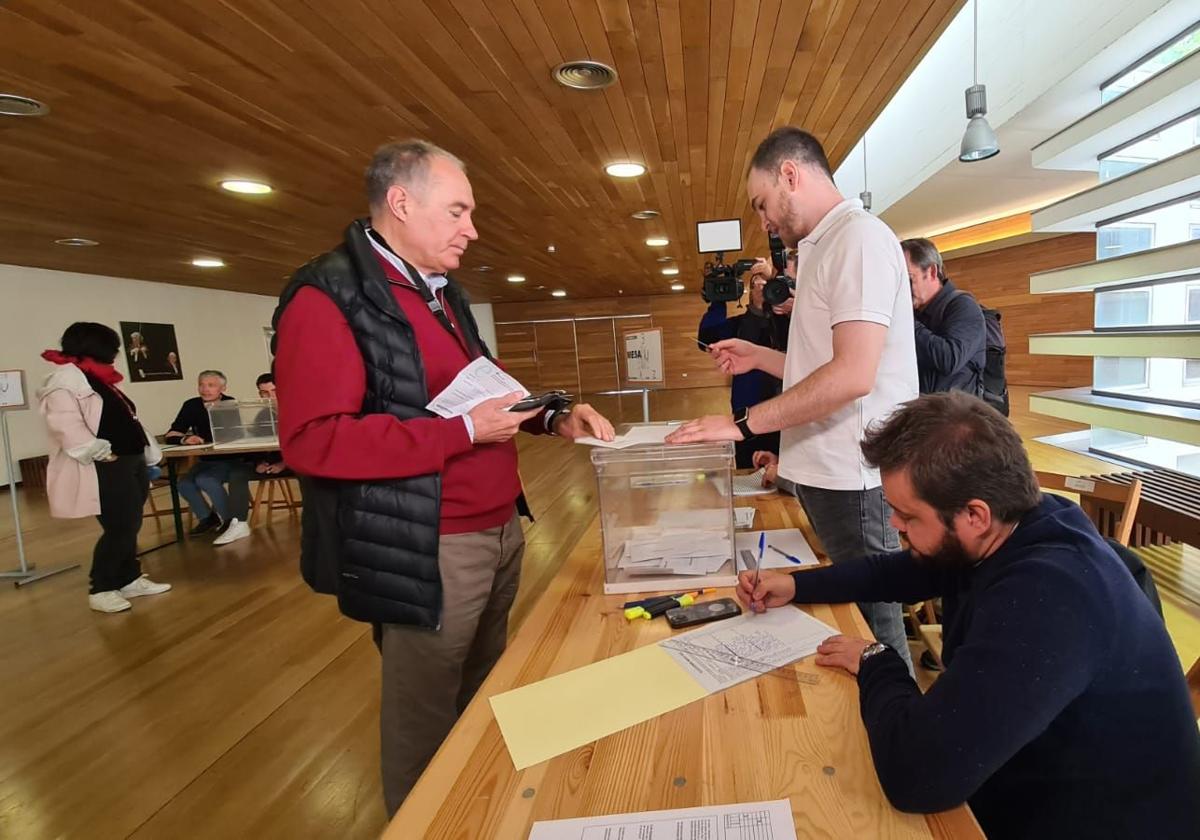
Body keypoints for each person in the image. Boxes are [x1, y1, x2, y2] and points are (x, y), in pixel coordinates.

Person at [271, 139, 616, 814]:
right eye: (458, 211)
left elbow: (475, 393)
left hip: (495, 528)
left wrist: (553, 418)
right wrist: (460, 433)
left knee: (486, 689)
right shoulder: (329, 295)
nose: (472, 229)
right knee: (423, 718)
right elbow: (313, 442)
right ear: (401, 202)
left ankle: (478, 811)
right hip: (429, 542)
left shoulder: (440, 293)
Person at [738, 392, 1200, 840]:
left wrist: (878, 660)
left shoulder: (1050, 595)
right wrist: (800, 584)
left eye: (907, 515)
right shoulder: (1026, 520)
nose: (895, 525)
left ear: (974, 515)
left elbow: (917, 777)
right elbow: (907, 569)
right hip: (1028, 781)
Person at [668, 126, 917, 672]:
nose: (764, 222)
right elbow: (820, 371)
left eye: (762, 205)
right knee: (853, 615)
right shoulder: (822, 247)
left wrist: (742, 422)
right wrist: (760, 358)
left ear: (790, 174)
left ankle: (903, 729)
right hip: (827, 470)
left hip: (856, 472)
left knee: (874, 618)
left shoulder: (858, 239)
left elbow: (853, 376)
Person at [38, 322, 171, 613]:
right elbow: (65, 424)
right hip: (106, 464)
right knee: (119, 526)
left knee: (132, 522)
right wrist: (99, 453)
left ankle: (129, 577)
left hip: (130, 459)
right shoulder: (64, 381)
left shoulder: (101, 379)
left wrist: (146, 452)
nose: (116, 353)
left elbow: (126, 417)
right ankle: (101, 587)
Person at [697, 279, 782, 468]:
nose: (760, 287)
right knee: (747, 471)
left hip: (787, 412)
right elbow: (707, 339)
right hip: (746, 413)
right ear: (748, 292)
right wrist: (718, 300)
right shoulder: (739, 325)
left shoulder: (788, 322)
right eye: (754, 284)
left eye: (765, 282)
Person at [165, 370, 253, 546]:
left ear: (222, 388)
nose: (205, 389)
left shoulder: (229, 403)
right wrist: (184, 439)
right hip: (205, 459)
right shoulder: (191, 405)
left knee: (206, 479)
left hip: (229, 459)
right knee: (184, 483)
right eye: (201, 385)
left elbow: (233, 434)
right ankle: (208, 518)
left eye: (211, 385)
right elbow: (173, 432)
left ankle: (230, 521)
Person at [901, 238, 986, 396]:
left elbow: (949, 359)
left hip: (953, 414)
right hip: (918, 411)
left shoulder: (963, 306)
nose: (902, 288)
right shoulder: (915, 311)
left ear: (932, 272)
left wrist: (904, 321)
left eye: (908, 279)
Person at [252, 373, 286, 476]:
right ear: (260, 395)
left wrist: (284, 464)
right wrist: (260, 463)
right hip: (272, 461)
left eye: (274, 391)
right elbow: (257, 442)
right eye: (265, 393)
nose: (271, 396)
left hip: (296, 462)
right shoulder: (262, 415)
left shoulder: (297, 411)